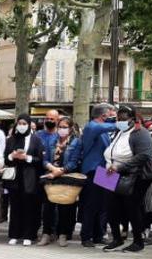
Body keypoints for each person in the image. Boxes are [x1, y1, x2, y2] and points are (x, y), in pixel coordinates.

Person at [102, 105, 152, 253]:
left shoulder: (141, 133)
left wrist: (120, 167)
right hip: (109, 173)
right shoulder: (119, 131)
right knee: (110, 208)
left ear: (132, 118)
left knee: (132, 208)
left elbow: (143, 156)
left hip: (133, 175)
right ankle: (117, 238)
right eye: (118, 118)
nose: (120, 121)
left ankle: (138, 241)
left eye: (123, 118)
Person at [78, 104, 118, 247]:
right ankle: (86, 236)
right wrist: (122, 123)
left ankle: (98, 235)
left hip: (106, 170)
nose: (114, 115)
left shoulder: (104, 129)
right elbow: (106, 127)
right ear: (104, 115)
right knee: (91, 205)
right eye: (112, 113)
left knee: (104, 206)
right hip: (94, 169)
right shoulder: (92, 126)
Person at [4, 115, 46, 246]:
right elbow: (5, 158)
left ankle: (29, 234)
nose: (21, 126)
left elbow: (39, 160)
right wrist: (13, 156)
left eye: (24, 123)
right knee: (15, 206)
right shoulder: (11, 139)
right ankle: (14, 234)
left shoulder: (36, 140)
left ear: (28, 124)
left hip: (30, 177)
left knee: (29, 206)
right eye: (19, 123)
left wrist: (26, 157)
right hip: (15, 177)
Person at [43, 117, 83, 247]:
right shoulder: (51, 140)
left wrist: (61, 171)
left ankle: (62, 234)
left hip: (66, 177)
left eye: (65, 127)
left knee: (65, 207)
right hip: (50, 175)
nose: (62, 129)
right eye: (60, 126)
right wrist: (52, 169)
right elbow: (45, 159)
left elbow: (74, 161)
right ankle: (46, 234)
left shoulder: (76, 142)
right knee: (48, 207)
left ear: (71, 128)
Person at [36, 110, 61, 246]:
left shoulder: (61, 136)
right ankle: (45, 232)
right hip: (43, 175)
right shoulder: (39, 135)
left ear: (57, 120)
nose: (49, 120)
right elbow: (39, 155)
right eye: (47, 118)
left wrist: (58, 170)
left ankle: (57, 232)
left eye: (52, 118)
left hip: (60, 175)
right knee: (46, 206)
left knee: (58, 206)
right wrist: (50, 167)